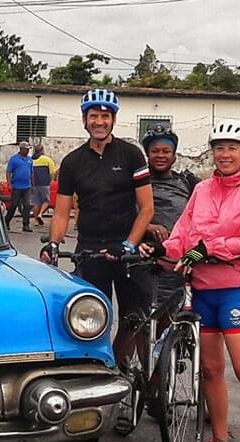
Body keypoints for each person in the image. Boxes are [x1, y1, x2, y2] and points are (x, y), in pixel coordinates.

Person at [142, 120, 240, 442]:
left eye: (233, 148)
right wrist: (161, 250)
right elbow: (182, 235)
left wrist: (206, 249)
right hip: (202, 289)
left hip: (236, 290)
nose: (225, 154)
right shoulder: (202, 190)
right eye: (219, 148)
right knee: (211, 371)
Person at [41, 88, 153, 361]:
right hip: (90, 248)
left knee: (135, 319)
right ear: (84, 120)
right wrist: (53, 243)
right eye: (93, 116)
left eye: (105, 116)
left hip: (126, 247)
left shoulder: (131, 155)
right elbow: (62, 212)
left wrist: (129, 244)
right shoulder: (72, 162)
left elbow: (147, 208)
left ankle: (142, 374)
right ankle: (102, 368)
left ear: (113, 120)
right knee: (88, 319)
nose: (99, 122)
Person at [4, 141, 34, 232]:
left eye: (28, 149)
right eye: (26, 149)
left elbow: (31, 172)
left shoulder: (29, 160)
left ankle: (26, 224)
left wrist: (32, 184)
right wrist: (9, 184)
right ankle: (6, 221)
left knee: (27, 205)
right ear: (21, 149)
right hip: (16, 186)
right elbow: (8, 172)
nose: (28, 151)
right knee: (14, 205)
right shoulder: (14, 159)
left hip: (27, 186)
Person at [30, 143, 57, 227]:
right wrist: (51, 181)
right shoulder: (47, 160)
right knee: (46, 201)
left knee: (36, 203)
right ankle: (40, 214)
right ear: (42, 150)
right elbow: (52, 173)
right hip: (45, 184)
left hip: (34, 184)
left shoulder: (31, 160)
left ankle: (36, 221)